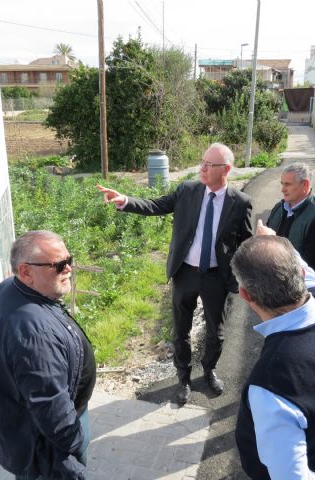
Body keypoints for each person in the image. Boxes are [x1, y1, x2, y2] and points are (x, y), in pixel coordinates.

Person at [97, 143, 252, 405]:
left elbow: (245, 243)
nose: (202, 168)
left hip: (216, 277)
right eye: (202, 162)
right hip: (185, 274)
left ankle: (209, 369)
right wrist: (124, 200)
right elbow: (156, 205)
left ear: (226, 169)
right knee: (181, 330)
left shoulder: (240, 202)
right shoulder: (188, 190)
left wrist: (245, 276)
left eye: (208, 164)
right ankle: (183, 377)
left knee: (217, 332)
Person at [231, 235, 315, 480]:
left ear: (245, 295)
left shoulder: (273, 381)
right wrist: (272, 240)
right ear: (302, 276)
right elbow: (307, 270)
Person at [0, 230, 96, 480]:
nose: (68, 269)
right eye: (58, 265)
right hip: (43, 444)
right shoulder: (36, 333)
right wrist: (74, 443)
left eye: (69, 260)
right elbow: (50, 403)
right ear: (26, 272)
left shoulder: (4, 290)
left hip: (17, 427)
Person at [264, 162, 315, 285]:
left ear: (305, 184)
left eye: (288, 184)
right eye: (282, 184)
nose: (282, 189)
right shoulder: (279, 208)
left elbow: (312, 264)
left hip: (305, 290)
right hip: (277, 283)